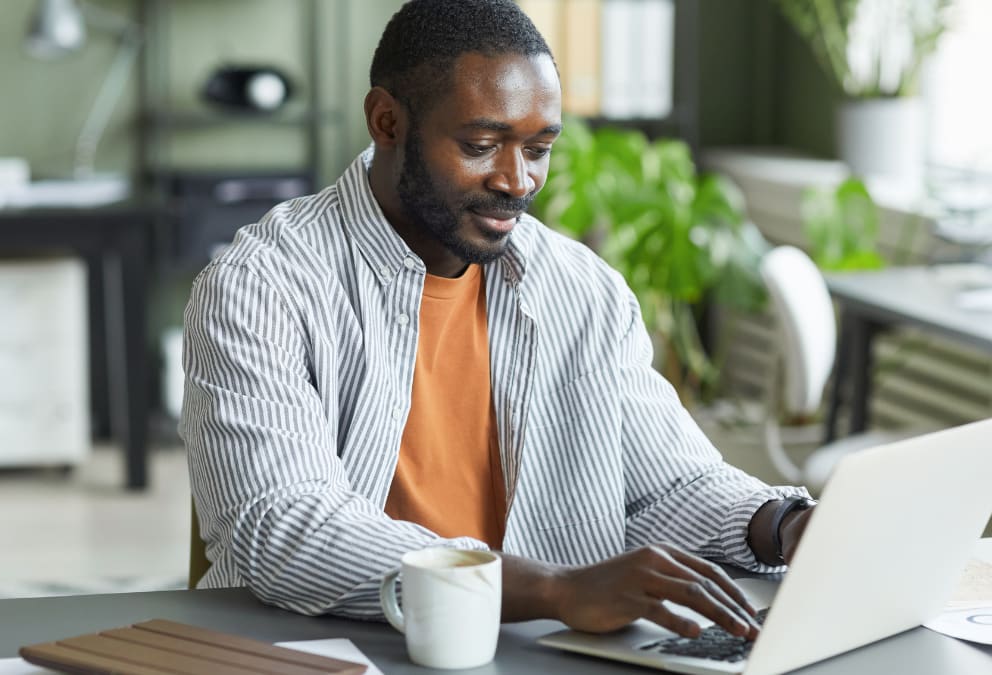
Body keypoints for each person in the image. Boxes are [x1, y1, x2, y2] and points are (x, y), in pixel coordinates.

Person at [181, 0, 812, 640]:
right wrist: (555, 590)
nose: (517, 181)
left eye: (539, 149)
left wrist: (785, 524)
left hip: (528, 649)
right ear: (386, 121)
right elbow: (284, 528)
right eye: (483, 146)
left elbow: (668, 485)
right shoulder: (259, 288)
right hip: (329, 645)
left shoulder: (585, 291)